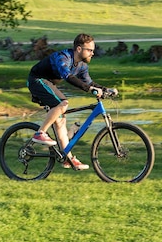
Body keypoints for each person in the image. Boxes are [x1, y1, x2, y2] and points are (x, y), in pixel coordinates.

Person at [27, 33, 114, 170]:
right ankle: (40, 133)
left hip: (49, 83)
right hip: (37, 80)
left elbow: (89, 82)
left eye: (93, 50)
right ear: (79, 49)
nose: (93, 53)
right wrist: (89, 89)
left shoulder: (82, 65)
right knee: (63, 103)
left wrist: (105, 89)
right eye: (90, 50)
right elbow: (67, 76)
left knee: (61, 121)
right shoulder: (63, 57)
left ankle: (68, 158)